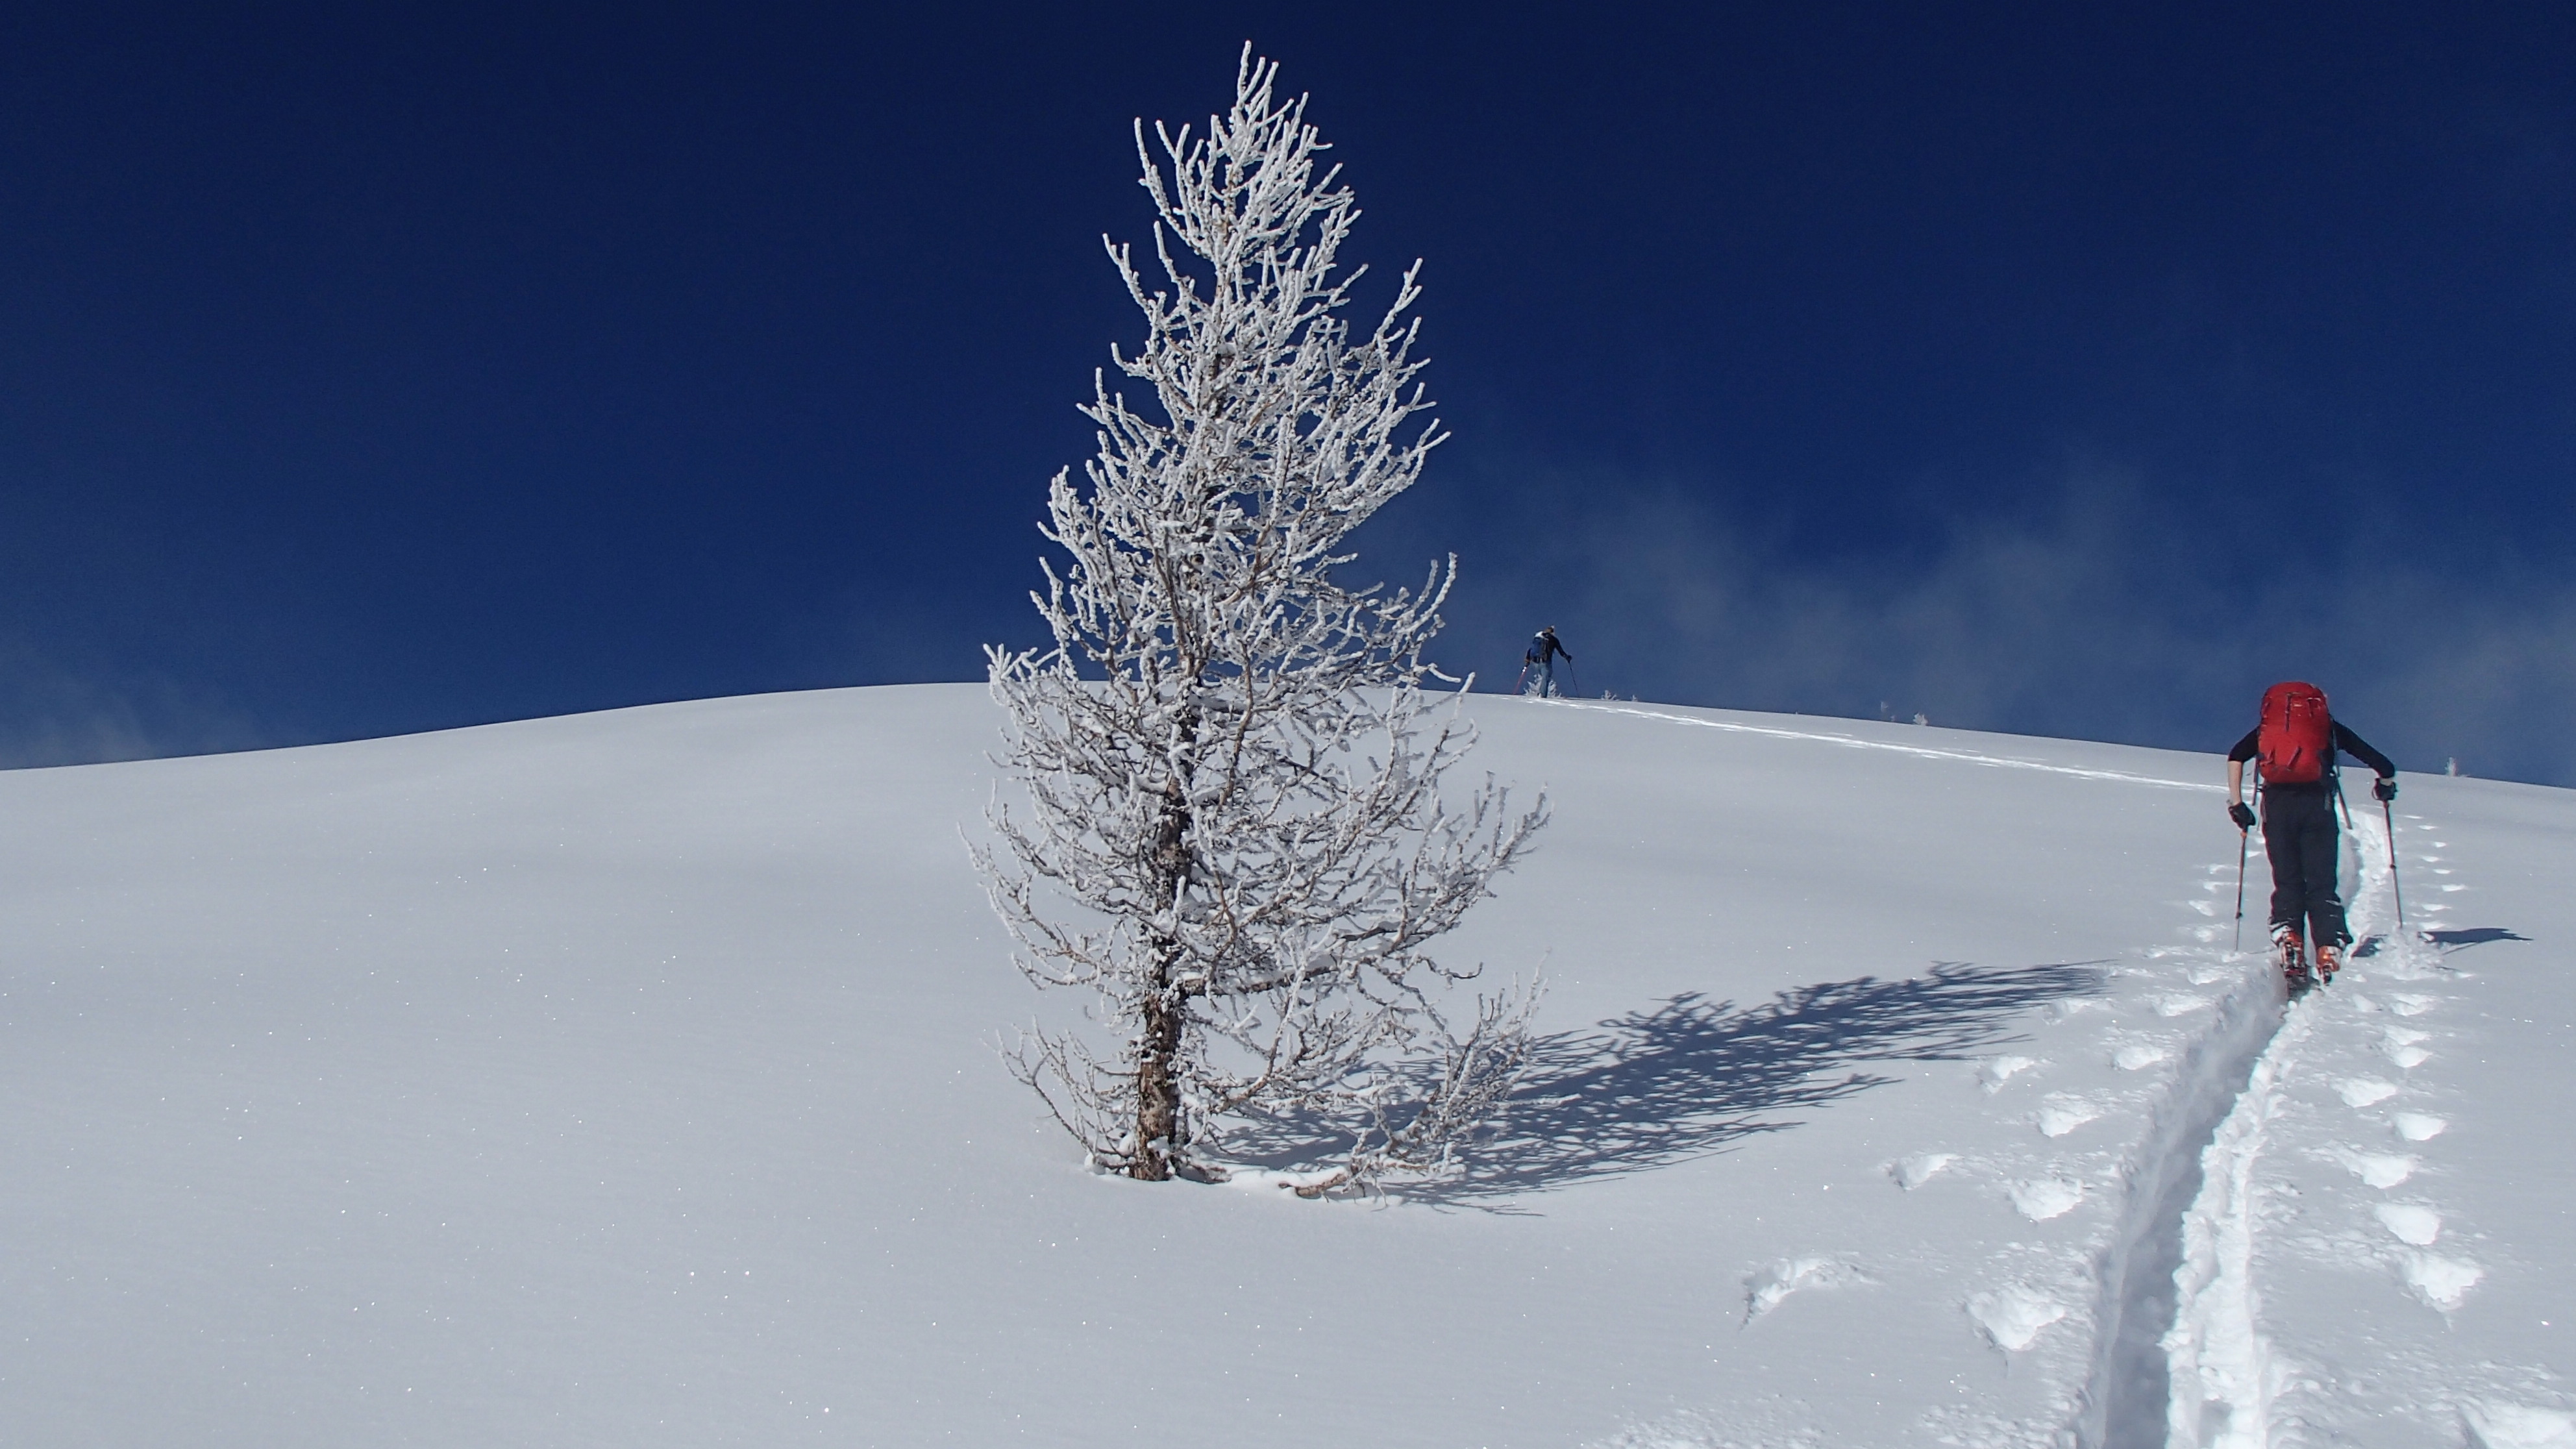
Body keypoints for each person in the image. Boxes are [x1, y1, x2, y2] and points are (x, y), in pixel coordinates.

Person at [2225, 682, 2397, 984]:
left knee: (2288, 879)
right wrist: (2384, 786)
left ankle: (2289, 936)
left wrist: (2238, 804)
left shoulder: (2267, 731)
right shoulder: (2329, 729)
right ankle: (2329, 947)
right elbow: (2384, 764)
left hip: (2277, 806)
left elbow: (2236, 756)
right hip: (2318, 805)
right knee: (2320, 881)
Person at [1523, 626, 1573, 697]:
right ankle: (1542, 695)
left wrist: (1527, 660)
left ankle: (1540, 692)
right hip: (1545, 662)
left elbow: (1531, 649)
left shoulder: (1537, 638)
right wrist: (1567, 657)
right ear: (1552, 632)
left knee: (1543, 677)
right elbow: (1561, 651)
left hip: (1535, 662)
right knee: (1546, 678)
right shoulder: (1553, 639)